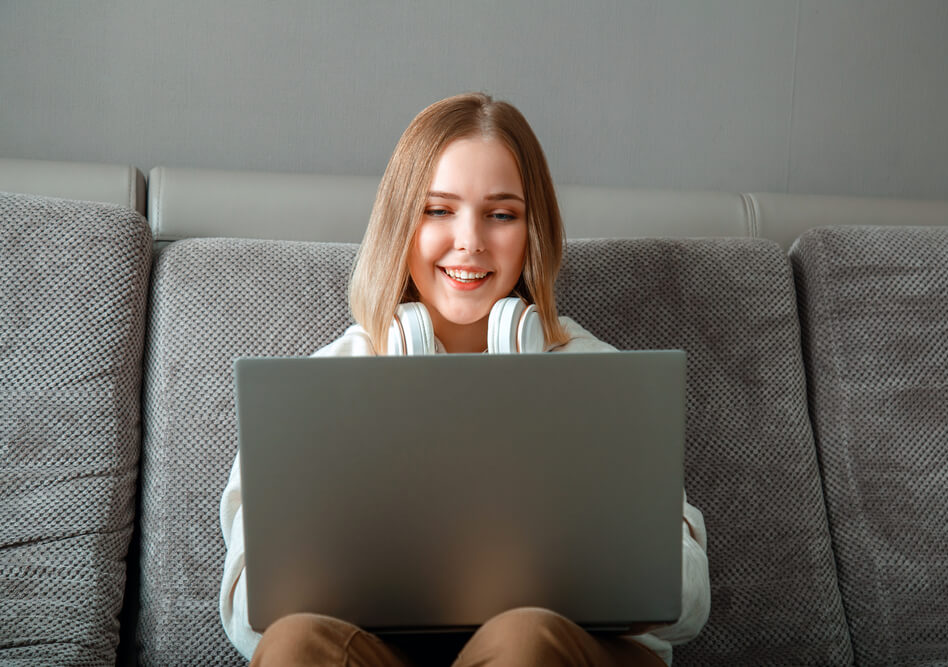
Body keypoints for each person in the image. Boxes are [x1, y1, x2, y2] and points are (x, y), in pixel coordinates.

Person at [219, 92, 710, 666]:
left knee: (522, 639)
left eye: (501, 214)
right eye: (437, 210)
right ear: (401, 224)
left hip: (563, 653)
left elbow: (690, 596)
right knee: (294, 645)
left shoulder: (597, 372)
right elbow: (247, 608)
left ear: (533, 232)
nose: (470, 240)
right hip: (389, 653)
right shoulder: (322, 384)